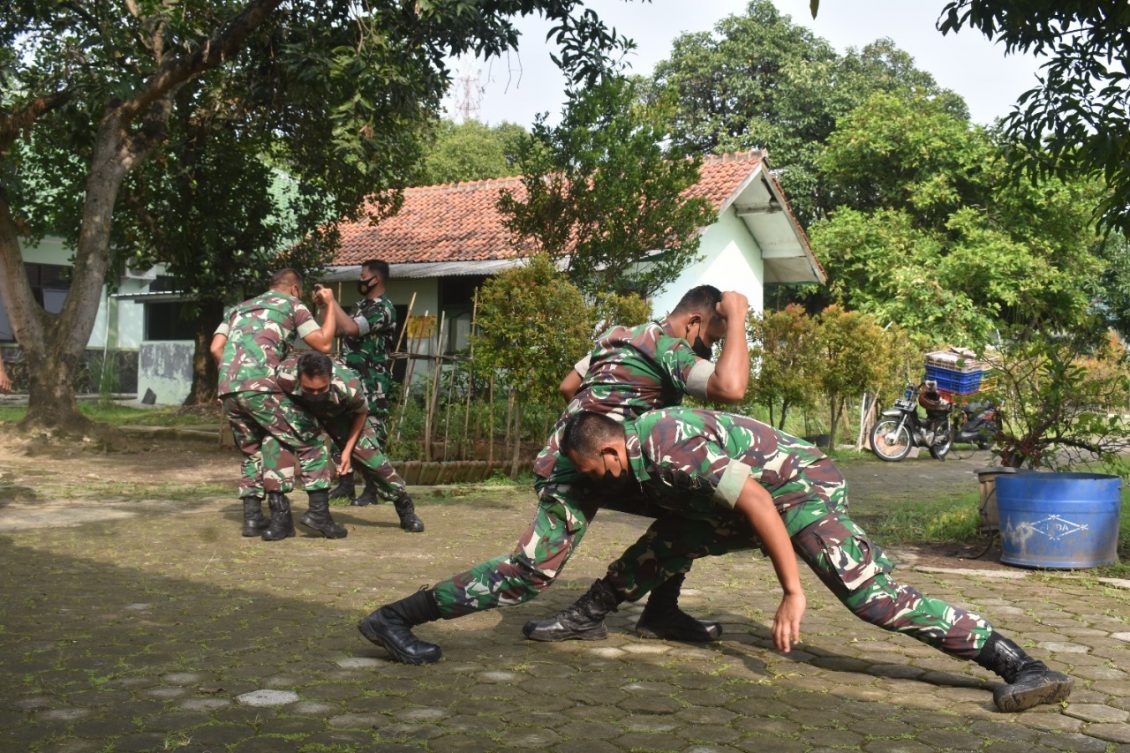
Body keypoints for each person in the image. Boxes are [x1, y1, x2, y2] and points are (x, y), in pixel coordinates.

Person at [533, 407, 1073, 713]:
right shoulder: (639, 451)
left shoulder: (670, 448)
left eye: (594, 471)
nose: (597, 481)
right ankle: (591, 618)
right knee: (664, 543)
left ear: (610, 452)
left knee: (870, 599)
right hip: (760, 490)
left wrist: (792, 589)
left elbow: (759, 501)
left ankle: (1021, 665)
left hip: (798, 489)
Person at [357, 286, 751, 664]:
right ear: (694, 322)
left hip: (595, 457)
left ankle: (661, 611)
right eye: (713, 339)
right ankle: (395, 618)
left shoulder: (618, 335)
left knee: (693, 504)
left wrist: (599, 424)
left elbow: (569, 386)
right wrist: (737, 318)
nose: (712, 350)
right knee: (529, 574)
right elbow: (730, 387)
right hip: (580, 466)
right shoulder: (667, 345)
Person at [210, 268, 337, 540]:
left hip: (228, 389)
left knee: (253, 452)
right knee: (310, 440)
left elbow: (215, 348)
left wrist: (234, 376)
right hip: (261, 388)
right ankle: (319, 515)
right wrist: (329, 306)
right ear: (294, 289)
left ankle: (253, 519)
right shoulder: (293, 304)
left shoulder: (239, 308)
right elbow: (324, 344)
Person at [276, 352, 424, 535]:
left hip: (342, 414)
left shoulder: (349, 385)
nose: (315, 394)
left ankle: (404, 507)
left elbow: (361, 413)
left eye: (321, 390)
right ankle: (316, 512)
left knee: (374, 462)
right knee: (312, 451)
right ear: (298, 379)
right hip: (302, 411)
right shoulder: (283, 375)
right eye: (309, 389)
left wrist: (346, 452)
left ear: (330, 379)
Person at [321, 260, 401, 506]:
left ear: (375, 279)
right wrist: (324, 307)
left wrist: (332, 301)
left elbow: (353, 329)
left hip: (371, 381)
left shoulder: (384, 308)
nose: (360, 279)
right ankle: (345, 484)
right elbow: (333, 330)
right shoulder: (359, 306)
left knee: (371, 431)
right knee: (341, 427)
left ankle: (373, 488)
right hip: (350, 379)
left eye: (363, 275)